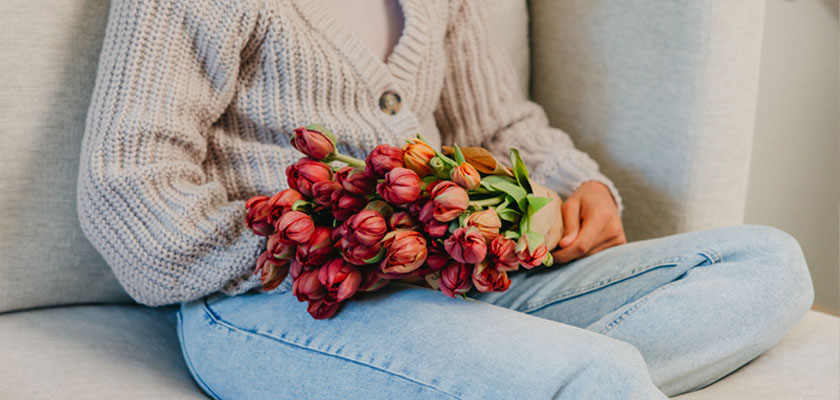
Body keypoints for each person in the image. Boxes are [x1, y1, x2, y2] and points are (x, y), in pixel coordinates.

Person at [76, 0, 815, 398]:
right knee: (597, 379)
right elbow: (127, 183)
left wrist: (574, 185)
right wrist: (323, 242)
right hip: (270, 300)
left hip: (459, 280)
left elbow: (495, 125)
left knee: (767, 264)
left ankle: (504, 371)